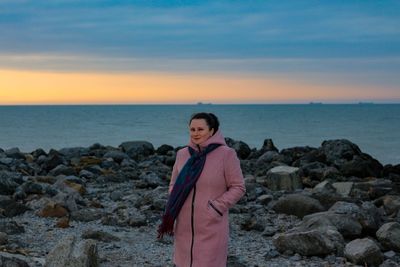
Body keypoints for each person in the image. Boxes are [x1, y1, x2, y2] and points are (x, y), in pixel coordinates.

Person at [158, 112, 246, 267]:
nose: (195, 133)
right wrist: (176, 199)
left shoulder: (226, 154)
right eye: (192, 129)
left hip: (211, 225)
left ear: (212, 131)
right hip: (183, 225)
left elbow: (238, 187)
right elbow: (173, 183)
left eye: (200, 129)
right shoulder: (182, 154)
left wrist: (215, 208)